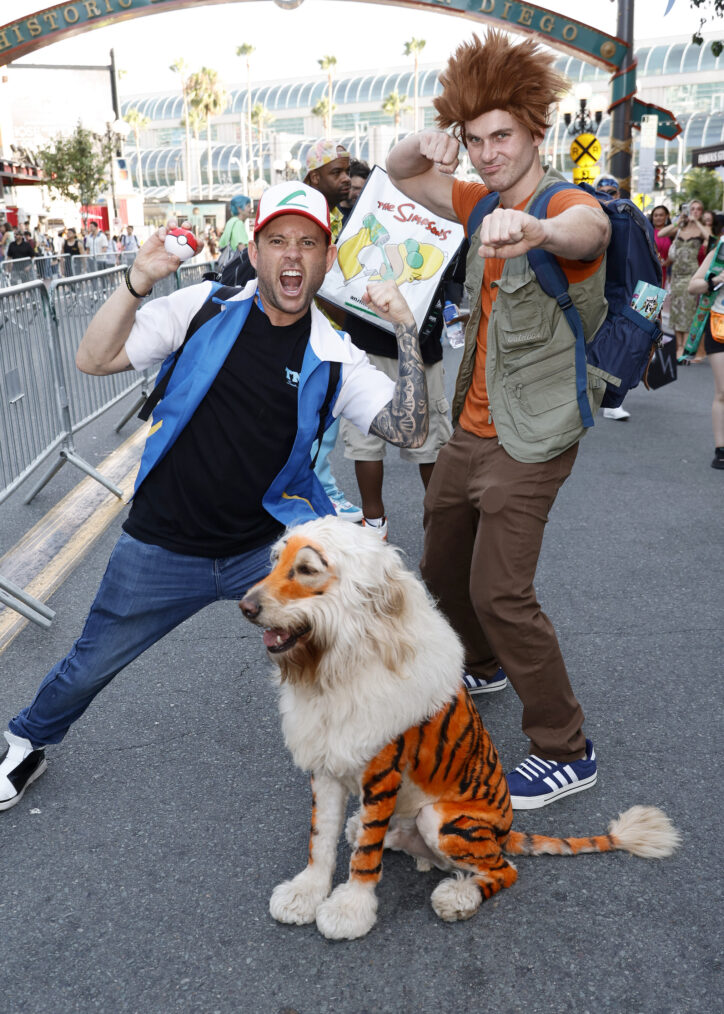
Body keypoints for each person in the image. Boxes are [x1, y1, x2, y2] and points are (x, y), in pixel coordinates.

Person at [0, 181, 429, 812]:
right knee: (90, 663)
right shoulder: (202, 307)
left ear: (327, 258)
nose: (292, 256)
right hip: (162, 546)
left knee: (362, 635)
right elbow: (94, 360)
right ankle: (24, 742)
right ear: (254, 252)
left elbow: (410, 428)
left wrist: (408, 332)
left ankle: (389, 770)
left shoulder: (334, 352)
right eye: (277, 241)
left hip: (267, 553)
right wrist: (138, 280)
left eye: (308, 243)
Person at [386, 30, 611, 809]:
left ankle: (565, 746)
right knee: (440, 567)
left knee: (499, 591)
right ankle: (480, 665)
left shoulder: (560, 207)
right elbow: (400, 178)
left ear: (533, 131)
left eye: (501, 137)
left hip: (535, 435)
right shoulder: (478, 197)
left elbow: (593, 231)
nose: (485, 154)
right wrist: (417, 144)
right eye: (475, 139)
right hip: (470, 431)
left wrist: (541, 232)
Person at [338, 162, 454, 541]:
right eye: (351, 188)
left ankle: (418, 523)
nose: (354, 193)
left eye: (359, 188)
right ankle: (382, 523)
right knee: (378, 439)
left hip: (410, 346)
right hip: (379, 344)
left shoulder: (374, 213)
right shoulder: (436, 214)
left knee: (421, 442)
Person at [303, 140, 364, 523]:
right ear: (314, 177)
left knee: (325, 413)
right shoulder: (308, 217)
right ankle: (318, 492)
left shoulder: (337, 214)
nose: (346, 179)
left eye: (346, 171)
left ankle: (317, 488)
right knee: (315, 413)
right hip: (309, 327)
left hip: (333, 327)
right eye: (336, 173)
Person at [687, 241, 724, 469]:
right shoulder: (720, 251)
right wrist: (717, 279)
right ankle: (721, 449)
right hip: (719, 326)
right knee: (723, 391)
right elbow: (693, 286)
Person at [660, 199, 710, 359]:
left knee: (687, 311)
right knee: (675, 310)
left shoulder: (702, 229)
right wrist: (678, 221)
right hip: (676, 274)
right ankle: (678, 345)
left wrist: (697, 222)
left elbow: (710, 237)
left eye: (697, 209)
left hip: (692, 274)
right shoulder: (680, 228)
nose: (694, 211)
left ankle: (685, 347)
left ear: (701, 212)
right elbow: (661, 233)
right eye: (692, 209)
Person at [217, 194, 252, 260]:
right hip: (237, 264)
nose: (251, 209)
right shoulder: (238, 223)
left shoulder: (231, 221)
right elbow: (241, 247)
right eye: (248, 206)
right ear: (239, 209)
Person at [339, 159, 371, 226]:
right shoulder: (331, 214)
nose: (359, 194)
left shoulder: (368, 215)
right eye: (355, 188)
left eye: (363, 190)